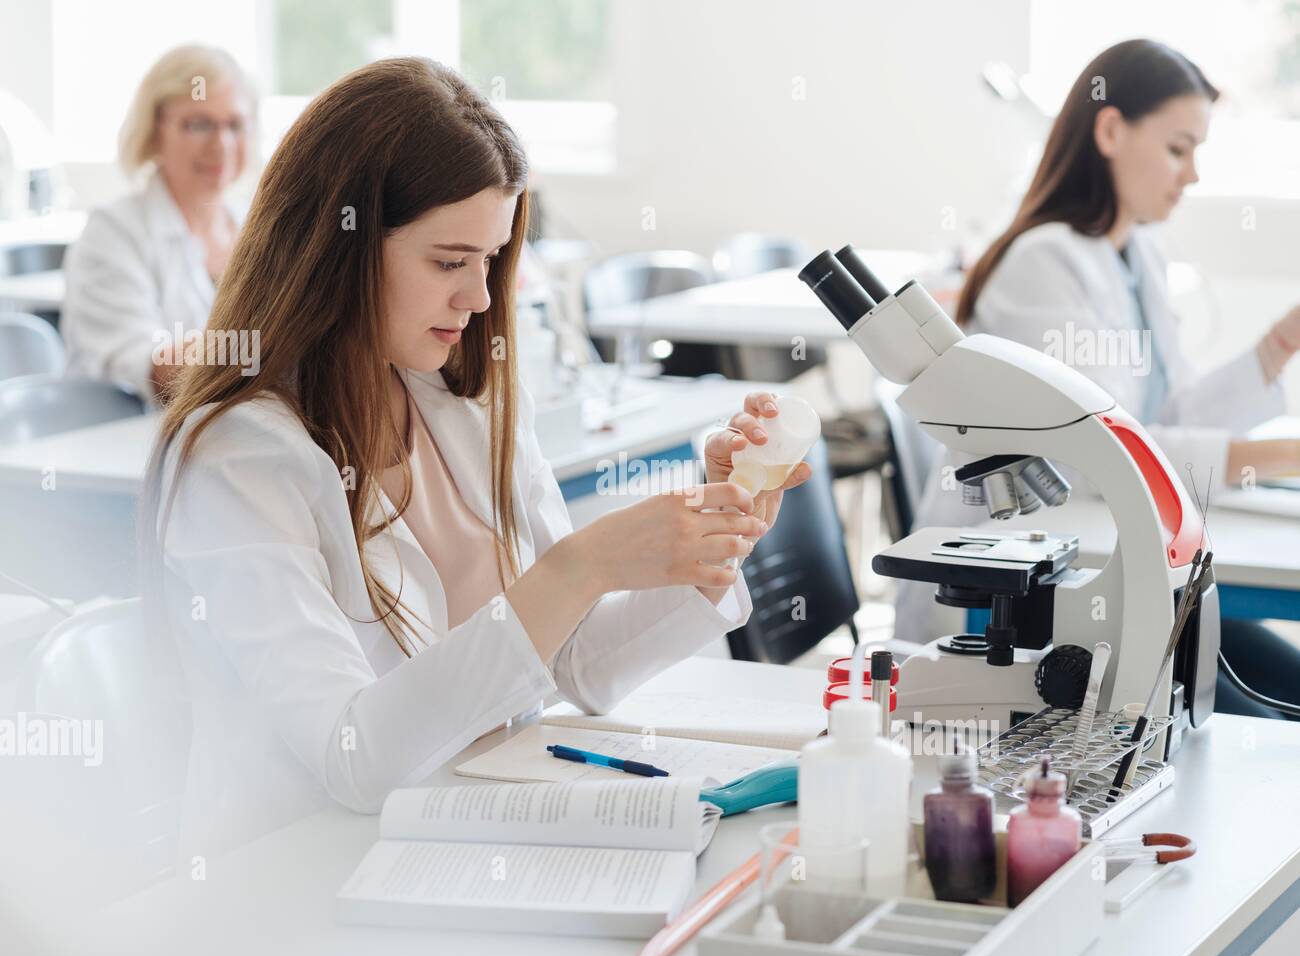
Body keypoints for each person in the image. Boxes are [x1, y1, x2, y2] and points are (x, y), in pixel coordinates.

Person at [143, 57, 811, 859]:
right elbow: (350, 760)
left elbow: (574, 668)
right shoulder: (238, 456)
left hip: (465, 833)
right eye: (448, 261)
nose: (481, 297)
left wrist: (710, 540)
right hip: (297, 871)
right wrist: (577, 568)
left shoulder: (461, 402)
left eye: (491, 259)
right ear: (339, 245)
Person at [902, 39, 1300, 718]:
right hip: (1021, 605)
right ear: (1111, 130)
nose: (1193, 174)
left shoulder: (1134, 253)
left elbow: (1166, 410)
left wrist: (1278, 345)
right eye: (1179, 149)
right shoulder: (1045, 262)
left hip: (1111, 572)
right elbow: (1101, 455)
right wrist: (1277, 456)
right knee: (1260, 723)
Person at [62, 44, 254, 404]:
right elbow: (152, 368)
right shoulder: (113, 232)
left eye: (235, 125)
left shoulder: (258, 227)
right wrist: (268, 349)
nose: (222, 144)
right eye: (199, 124)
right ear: (154, 130)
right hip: (128, 443)